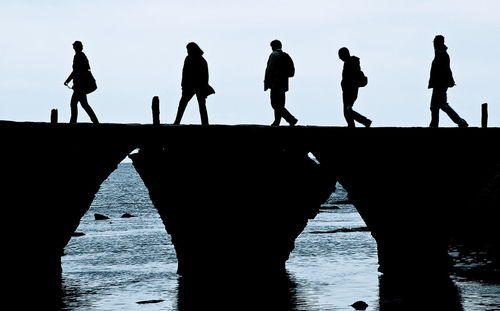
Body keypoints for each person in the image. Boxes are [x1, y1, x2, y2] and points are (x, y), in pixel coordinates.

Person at [428, 35, 468, 128]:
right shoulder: (440, 53)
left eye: (435, 42)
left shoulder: (441, 54)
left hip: (439, 84)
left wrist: (446, 82)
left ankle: (460, 122)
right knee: (435, 106)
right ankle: (434, 124)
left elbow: (445, 69)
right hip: (439, 84)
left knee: (441, 105)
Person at [174, 42, 214, 125]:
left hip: (197, 86)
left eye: (188, 50)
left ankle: (204, 123)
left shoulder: (199, 60)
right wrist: (183, 85)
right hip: (191, 86)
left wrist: (204, 87)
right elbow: (184, 73)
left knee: (198, 106)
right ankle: (177, 122)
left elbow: (204, 76)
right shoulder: (194, 59)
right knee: (184, 104)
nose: (187, 51)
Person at [64, 41, 99, 124]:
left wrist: (67, 81)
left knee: (74, 103)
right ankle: (95, 121)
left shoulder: (78, 56)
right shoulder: (81, 56)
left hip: (80, 86)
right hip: (81, 85)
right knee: (84, 104)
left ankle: (73, 122)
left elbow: (76, 71)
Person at [264, 40, 298, 126]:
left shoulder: (273, 55)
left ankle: (291, 119)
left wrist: (267, 82)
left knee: (275, 104)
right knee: (280, 104)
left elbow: (269, 69)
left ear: (273, 47)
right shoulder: (286, 56)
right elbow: (292, 72)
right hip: (284, 85)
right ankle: (277, 122)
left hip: (275, 84)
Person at [338, 47, 371, 128]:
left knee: (347, 110)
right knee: (346, 110)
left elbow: (352, 78)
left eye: (340, 55)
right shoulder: (349, 63)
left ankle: (365, 121)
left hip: (350, 90)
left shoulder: (351, 63)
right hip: (347, 90)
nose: (339, 57)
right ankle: (352, 125)